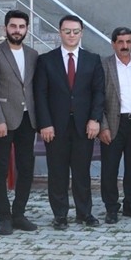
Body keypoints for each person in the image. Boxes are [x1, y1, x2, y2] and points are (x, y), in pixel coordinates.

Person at [33, 14, 105, 229]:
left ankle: (85, 213)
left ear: (81, 33)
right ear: (60, 32)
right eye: (67, 31)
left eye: (75, 31)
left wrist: (95, 119)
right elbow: (40, 94)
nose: (71, 35)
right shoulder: (46, 60)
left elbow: (98, 93)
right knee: (57, 172)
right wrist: (45, 123)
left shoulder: (93, 59)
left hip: (84, 126)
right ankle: (60, 215)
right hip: (55, 127)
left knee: (82, 171)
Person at [0, 9, 39, 235]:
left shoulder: (33, 54)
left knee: (26, 168)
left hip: (28, 119)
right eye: (13, 26)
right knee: (1, 169)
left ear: (26, 29)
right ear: (6, 28)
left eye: (21, 27)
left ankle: (19, 213)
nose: (17, 30)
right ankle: (3, 216)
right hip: (4, 120)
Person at [99, 26, 131, 223]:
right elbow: (97, 98)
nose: (125, 46)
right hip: (112, 123)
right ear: (113, 44)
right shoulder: (104, 65)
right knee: (109, 168)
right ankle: (111, 208)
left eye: (128, 42)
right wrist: (103, 126)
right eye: (120, 42)